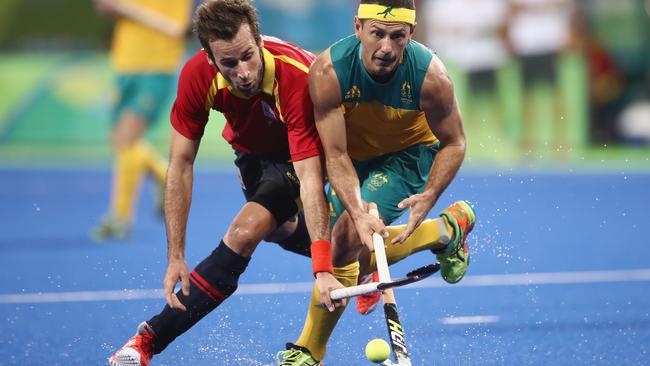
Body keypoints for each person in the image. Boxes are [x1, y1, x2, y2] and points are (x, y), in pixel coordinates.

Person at [276, 1, 476, 364]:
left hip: (407, 156)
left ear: (411, 34)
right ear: (357, 27)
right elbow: (334, 155)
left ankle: (309, 351)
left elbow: (455, 142)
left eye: (397, 36)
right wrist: (356, 209)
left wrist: (429, 193)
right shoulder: (328, 71)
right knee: (359, 253)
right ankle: (445, 231)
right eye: (377, 34)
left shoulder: (431, 78)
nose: (386, 47)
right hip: (350, 158)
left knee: (343, 243)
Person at [92, 0, 192, 241]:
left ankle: (120, 217)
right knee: (121, 141)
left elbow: (178, 29)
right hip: (124, 64)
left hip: (157, 66)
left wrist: (126, 8)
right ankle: (163, 177)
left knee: (127, 138)